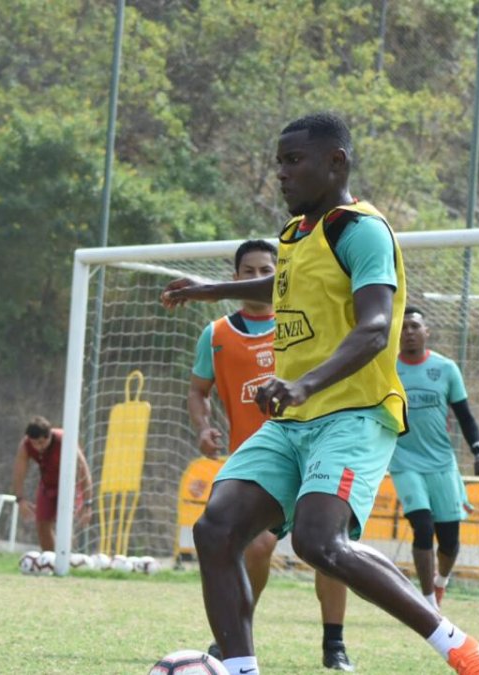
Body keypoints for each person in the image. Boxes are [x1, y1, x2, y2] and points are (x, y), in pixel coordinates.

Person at [161, 112, 479, 675]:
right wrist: (213, 289)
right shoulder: (296, 235)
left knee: (320, 544)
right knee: (216, 528)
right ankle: (241, 669)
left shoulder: (361, 229)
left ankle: (462, 650)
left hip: (354, 415)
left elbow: (374, 328)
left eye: (293, 161)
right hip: (293, 423)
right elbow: (284, 284)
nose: (281, 173)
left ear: (336, 162)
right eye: (279, 162)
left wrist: (300, 384)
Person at [188, 239, 355, 671]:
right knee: (256, 546)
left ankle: (333, 644)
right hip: (257, 465)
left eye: (267, 267)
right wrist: (204, 426)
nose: (258, 275)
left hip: (313, 452)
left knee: (327, 547)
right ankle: (236, 633)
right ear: (237, 274)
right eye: (249, 270)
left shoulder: (299, 324)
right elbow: (198, 390)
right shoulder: (217, 334)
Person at [391, 306, 479, 610]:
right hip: (403, 460)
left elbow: (465, 416)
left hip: (441, 462)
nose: (408, 332)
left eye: (414, 326)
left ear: (427, 332)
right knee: (422, 526)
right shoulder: (386, 369)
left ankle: (440, 584)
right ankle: (427, 603)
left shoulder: (446, 369)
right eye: (403, 327)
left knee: (449, 539)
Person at [11, 415, 94, 553]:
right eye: (35, 443)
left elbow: (83, 470)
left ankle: (68, 560)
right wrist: (20, 500)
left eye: (43, 442)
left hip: (70, 486)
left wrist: (88, 503)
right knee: (42, 525)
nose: (39, 447)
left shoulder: (64, 440)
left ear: (50, 436)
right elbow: (19, 473)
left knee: (65, 525)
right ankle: (49, 561)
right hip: (47, 487)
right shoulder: (25, 446)